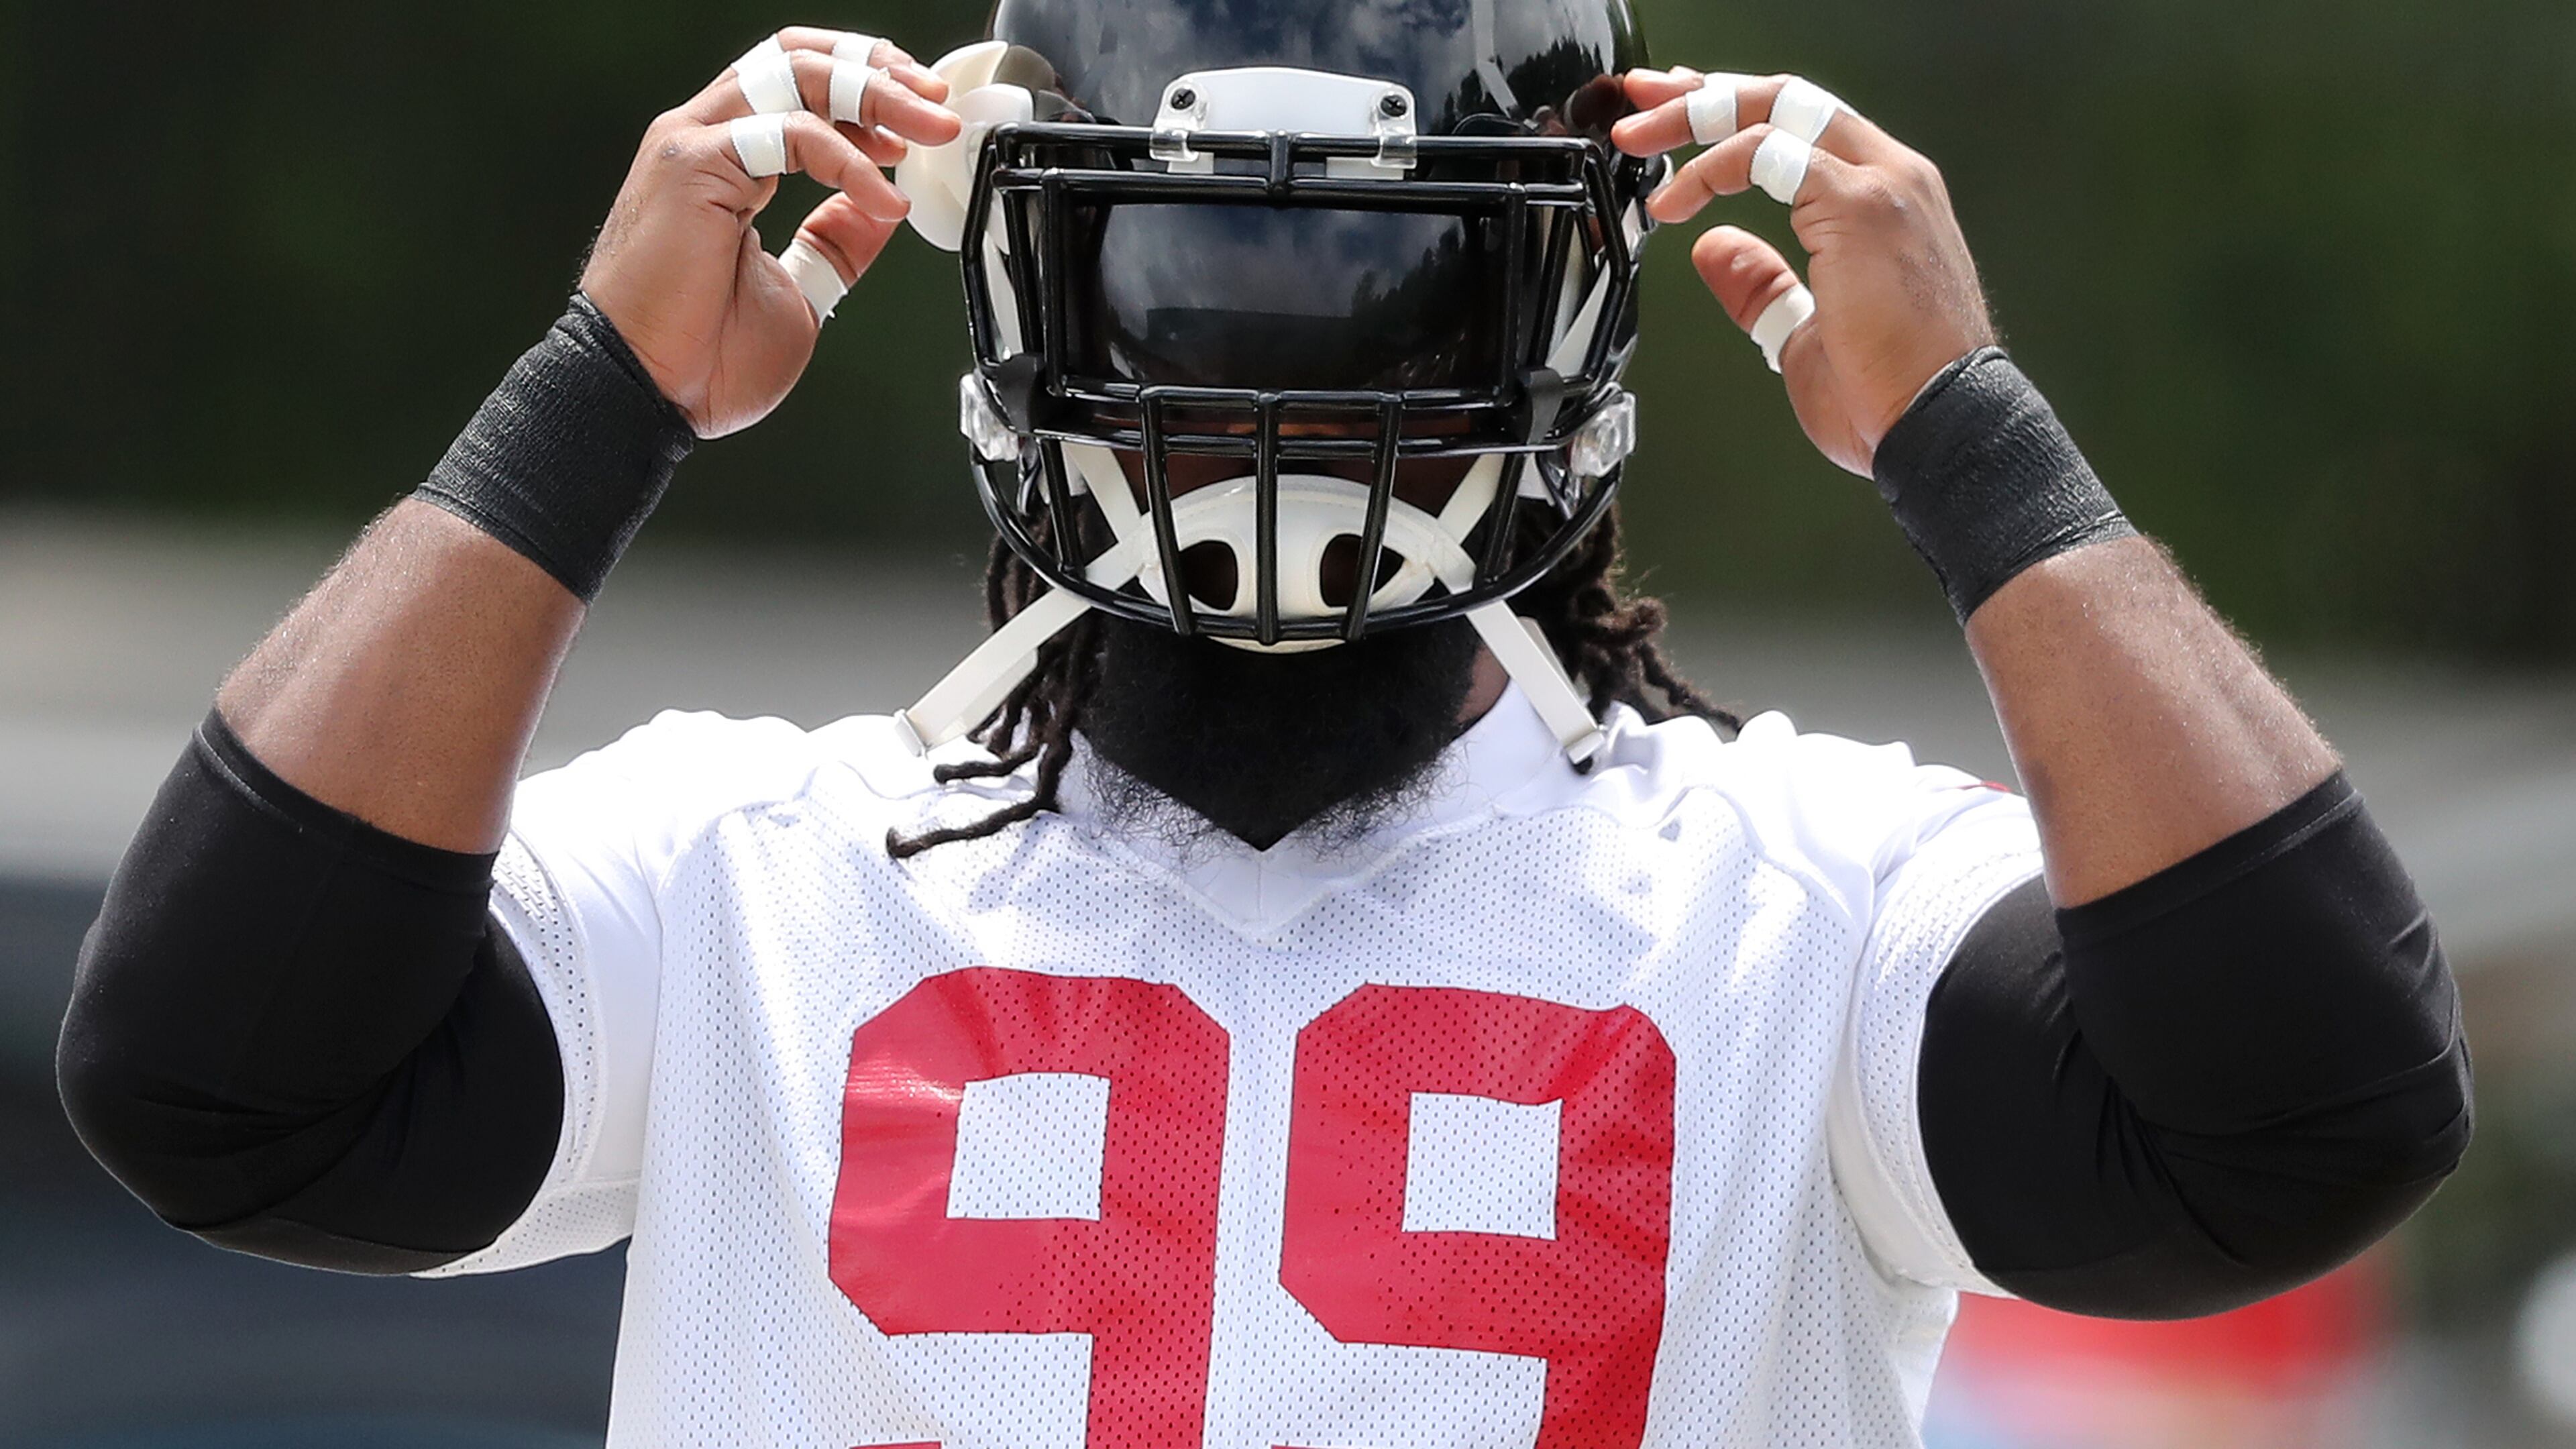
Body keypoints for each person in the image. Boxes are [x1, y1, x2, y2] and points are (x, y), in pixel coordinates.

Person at [57, 1, 2470, 1444]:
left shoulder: (1799, 909)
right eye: (1191, 272)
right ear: (1024, 275)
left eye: (1377, 282)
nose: (1277, 363)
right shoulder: (744, 879)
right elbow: (212, 1079)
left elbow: (2305, 1112)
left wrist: (1973, 435)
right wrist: (588, 406)